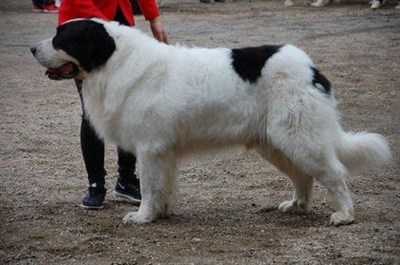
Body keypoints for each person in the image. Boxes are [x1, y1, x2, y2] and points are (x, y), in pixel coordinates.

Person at [57, 0, 168, 209]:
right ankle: (96, 184)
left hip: (118, 24)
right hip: (83, 27)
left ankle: (126, 180)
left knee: (128, 108)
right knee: (91, 110)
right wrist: (103, 27)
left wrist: (154, 18)